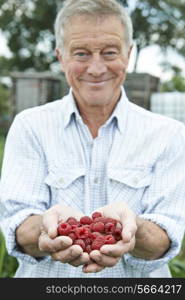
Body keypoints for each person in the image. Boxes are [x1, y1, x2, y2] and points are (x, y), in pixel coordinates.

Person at [0, 0, 185, 278]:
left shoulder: (168, 134)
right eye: (81, 54)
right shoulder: (31, 126)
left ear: (129, 53)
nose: (96, 69)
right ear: (61, 57)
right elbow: (18, 224)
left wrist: (133, 227)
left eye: (109, 53)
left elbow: (166, 238)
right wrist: (46, 228)